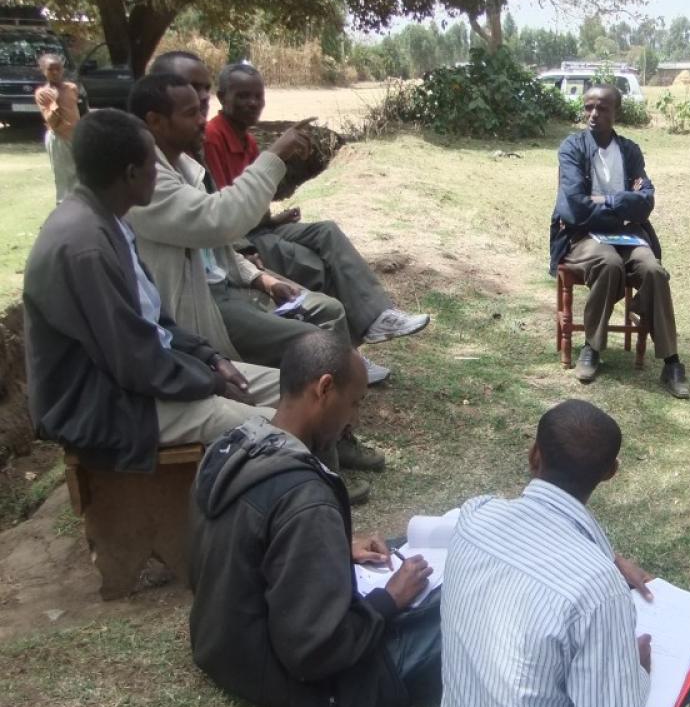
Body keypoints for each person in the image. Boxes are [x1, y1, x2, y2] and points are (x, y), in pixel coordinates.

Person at [441, 399, 690, 707]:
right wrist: (640, 672)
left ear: (533, 455)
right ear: (611, 472)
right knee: (683, 656)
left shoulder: (475, 516)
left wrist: (607, 560)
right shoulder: (596, 592)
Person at [124, 73, 384, 485]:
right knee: (310, 362)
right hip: (202, 318)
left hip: (220, 297)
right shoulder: (144, 185)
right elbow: (218, 221)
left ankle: (330, 459)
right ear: (154, 121)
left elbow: (218, 246)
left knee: (324, 306)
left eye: (203, 103)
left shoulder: (183, 168)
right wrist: (275, 156)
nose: (201, 118)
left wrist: (259, 278)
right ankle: (315, 476)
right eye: (192, 110)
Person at [188, 331, 442, 707]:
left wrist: (334, 549)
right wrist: (388, 601)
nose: (352, 420)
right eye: (354, 404)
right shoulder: (306, 499)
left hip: (219, 645)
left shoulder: (235, 446)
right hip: (289, 682)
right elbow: (316, 653)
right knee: (455, 615)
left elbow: (247, 546)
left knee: (389, 550)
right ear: (324, 388)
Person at [23, 109, 279, 473]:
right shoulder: (86, 246)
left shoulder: (110, 222)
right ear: (130, 174)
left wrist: (210, 359)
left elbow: (155, 321)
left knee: (292, 389)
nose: (159, 174)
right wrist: (211, 383)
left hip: (145, 379)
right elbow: (136, 364)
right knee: (278, 429)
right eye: (152, 166)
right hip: (105, 405)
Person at [201, 61, 430, 360]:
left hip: (261, 226)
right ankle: (343, 356)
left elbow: (254, 200)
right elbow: (220, 208)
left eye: (258, 96)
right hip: (241, 238)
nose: (253, 103)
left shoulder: (250, 141)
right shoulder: (212, 138)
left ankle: (378, 317)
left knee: (327, 232)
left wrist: (276, 216)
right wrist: (243, 246)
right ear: (222, 97)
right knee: (313, 265)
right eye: (243, 96)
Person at [550, 84, 690, 399]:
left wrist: (605, 200)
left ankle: (671, 361)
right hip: (583, 235)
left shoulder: (630, 151)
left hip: (628, 236)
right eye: (588, 107)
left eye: (602, 108)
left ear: (617, 112)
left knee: (653, 269)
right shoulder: (572, 148)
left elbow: (647, 201)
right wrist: (622, 204)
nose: (593, 115)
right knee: (608, 262)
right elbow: (574, 203)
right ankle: (592, 347)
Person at [34, 52, 80, 204]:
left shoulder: (72, 88)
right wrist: (55, 100)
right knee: (63, 176)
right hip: (58, 138)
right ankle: (63, 206)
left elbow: (77, 111)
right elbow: (51, 121)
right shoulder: (43, 93)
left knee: (79, 173)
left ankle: (80, 206)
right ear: (43, 71)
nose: (55, 72)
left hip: (76, 135)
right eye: (50, 69)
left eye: (58, 69)